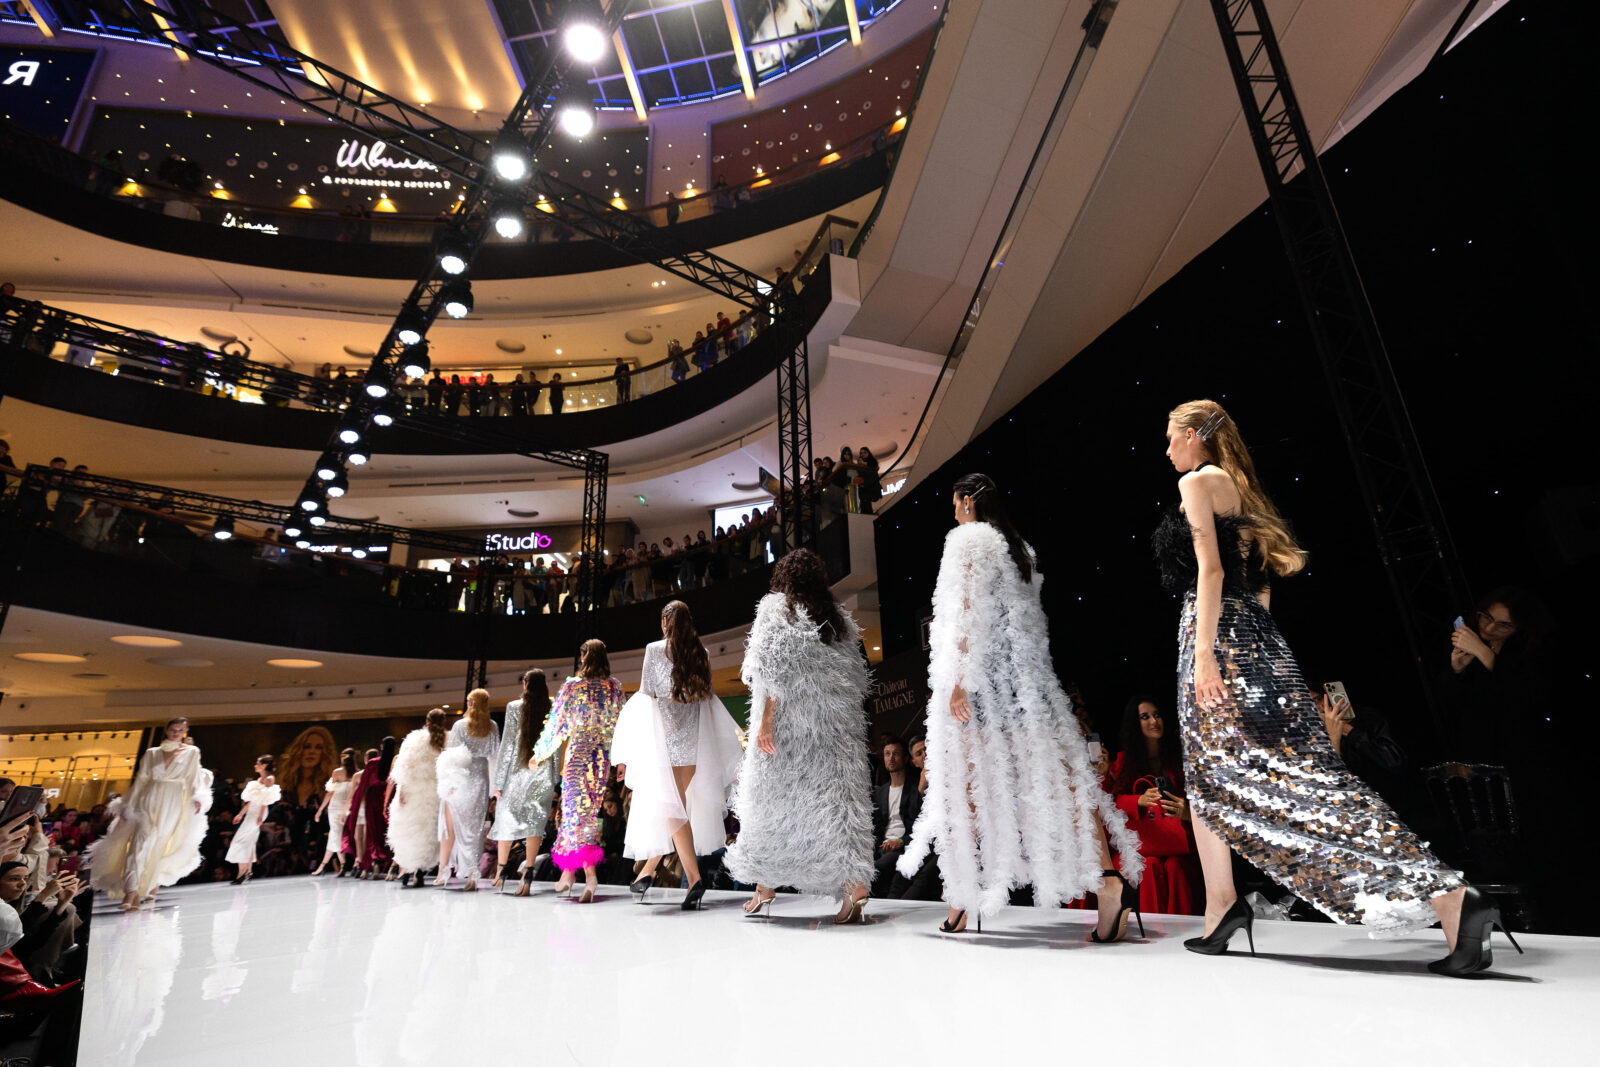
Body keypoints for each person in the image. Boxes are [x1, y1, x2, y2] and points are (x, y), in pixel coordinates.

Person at [1155, 399, 1511, 976]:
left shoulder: (1196, 482)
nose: (1167, 448)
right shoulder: (1240, 491)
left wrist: (1204, 656)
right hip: (1257, 642)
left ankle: (1448, 895)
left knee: (1260, 781)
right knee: (1246, 778)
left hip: (1217, 641)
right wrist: (1249, 653)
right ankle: (1221, 905)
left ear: (1194, 435)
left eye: (1172, 436)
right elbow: (1261, 588)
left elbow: (1211, 572)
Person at [896, 473, 1143, 938]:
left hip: (985, 687)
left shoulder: (968, 540)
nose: (953, 512)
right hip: (1030, 688)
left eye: (954, 503)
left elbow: (964, 612)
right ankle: (1110, 882)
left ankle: (962, 898)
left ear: (967, 502)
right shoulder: (1019, 549)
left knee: (968, 789)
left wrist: (959, 681)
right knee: (1067, 784)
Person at [726, 548, 875, 923]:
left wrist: (765, 722)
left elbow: (771, 668)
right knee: (839, 808)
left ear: (783, 579)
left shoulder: (777, 610)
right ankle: (853, 886)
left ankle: (764, 887)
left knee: (772, 803)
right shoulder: (838, 618)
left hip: (790, 731)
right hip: (835, 731)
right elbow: (857, 679)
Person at [611, 600, 743, 910]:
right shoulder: (701, 653)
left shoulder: (654, 650)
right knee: (673, 809)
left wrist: (631, 746)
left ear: (665, 623)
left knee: (672, 810)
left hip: (664, 747)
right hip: (692, 747)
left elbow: (646, 694)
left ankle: (695, 880)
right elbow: (706, 697)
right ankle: (646, 873)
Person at [86, 717, 213, 910]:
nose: (176, 733)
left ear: (185, 731)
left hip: (173, 804)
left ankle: (145, 890)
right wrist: (127, 805)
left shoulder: (192, 752)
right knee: (139, 845)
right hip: (148, 800)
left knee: (160, 847)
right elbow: (141, 780)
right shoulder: (152, 753)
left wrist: (198, 798)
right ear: (166, 730)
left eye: (180, 730)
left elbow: (193, 778)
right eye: (173, 730)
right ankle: (130, 892)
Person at [533, 641, 625, 902]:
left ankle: (589, 876)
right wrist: (622, 760)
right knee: (583, 814)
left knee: (576, 815)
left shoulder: (573, 686)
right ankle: (569, 873)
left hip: (578, 757)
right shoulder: (614, 687)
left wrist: (540, 753)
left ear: (585, 657)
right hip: (600, 760)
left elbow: (557, 723)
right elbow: (621, 725)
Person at [1438, 586, 1551, 768]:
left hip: (1521, 751)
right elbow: (1450, 704)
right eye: (1487, 617)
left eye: (1504, 625)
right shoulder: (1470, 641)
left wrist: (1483, 652)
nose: (1490, 627)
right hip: (1474, 748)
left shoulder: (1529, 652)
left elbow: (1526, 697)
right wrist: (1456, 671)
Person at [1109, 697, 1201, 916]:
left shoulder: (1181, 759)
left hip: (1179, 843)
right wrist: (1137, 801)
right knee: (1149, 865)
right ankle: (1153, 926)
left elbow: (1206, 805)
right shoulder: (1124, 761)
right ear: (1135, 724)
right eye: (1145, 717)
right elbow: (1111, 803)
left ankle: (1182, 926)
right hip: (1142, 844)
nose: (1154, 721)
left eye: (1157, 715)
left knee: (1176, 866)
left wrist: (1187, 812)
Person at [490, 669, 559, 895]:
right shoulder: (553, 706)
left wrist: (498, 782)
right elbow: (556, 744)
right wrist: (554, 777)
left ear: (525, 685)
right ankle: (528, 872)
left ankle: (501, 870)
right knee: (534, 825)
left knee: (506, 821)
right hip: (542, 775)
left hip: (516, 775)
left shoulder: (514, 707)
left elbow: (507, 745)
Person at [435, 689, 500, 890]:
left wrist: (449, 783)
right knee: (475, 829)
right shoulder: (492, 726)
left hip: (461, 779)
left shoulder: (460, 725)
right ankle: (472, 873)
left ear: (470, 703)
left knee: (449, 827)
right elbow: (495, 756)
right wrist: (495, 786)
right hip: (481, 779)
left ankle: (443, 871)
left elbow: (452, 756)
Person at [388, 709, 449, 887]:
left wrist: (401, 792)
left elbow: (404, 767)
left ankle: (407, 869)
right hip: (435, 793)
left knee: (409, 831)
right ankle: (419, 871)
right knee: (427, 833)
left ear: (427, 721)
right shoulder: (448, 740)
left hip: (414, 792)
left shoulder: (414, 739)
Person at [870, 740, 920, 898]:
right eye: (887, 754)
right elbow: (875, 829)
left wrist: (901, 841)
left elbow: (920, 828)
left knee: (879, 868)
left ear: (905, 758)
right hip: (882, 848)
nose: (891, 758)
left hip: (904, 847)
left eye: (896, 753)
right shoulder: (879, 793)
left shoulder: (915, 789)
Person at [342, 738, 396, 879]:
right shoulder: (396, 761)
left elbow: (364, 786)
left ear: (381, 746)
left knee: (372, 832)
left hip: (373, 799)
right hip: (390, 798)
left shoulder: (372, 763)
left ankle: (374, 861)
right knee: (391, 832)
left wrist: (357, 805)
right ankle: (393, 865)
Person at [225, 755, 280, 885]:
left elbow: (265, 799)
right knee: (248, 841)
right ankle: (248, 872)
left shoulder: (269, 779)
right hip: (252, 811)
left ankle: (242, 873)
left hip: (258, 812)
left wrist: (260, 816)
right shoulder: (259, 780)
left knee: (241, 840)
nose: (255, 765)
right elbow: (251, 801)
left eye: (258, 763)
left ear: (264, 765)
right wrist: (240, 814)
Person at [310, 748, 358, 876]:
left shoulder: (337, 772)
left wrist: (320, 810)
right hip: (349, 808)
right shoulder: (357, 773)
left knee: (336, 835)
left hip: (336, 808)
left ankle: (337, 864)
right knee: (337, 835)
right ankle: (333, 865)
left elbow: (329, 793)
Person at [278, 725, 337, 808]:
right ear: (298, 750)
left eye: (318, 748)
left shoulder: (330, 786)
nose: (312, 751)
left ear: (324, 753)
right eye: (307, 747)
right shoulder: (287, 785)